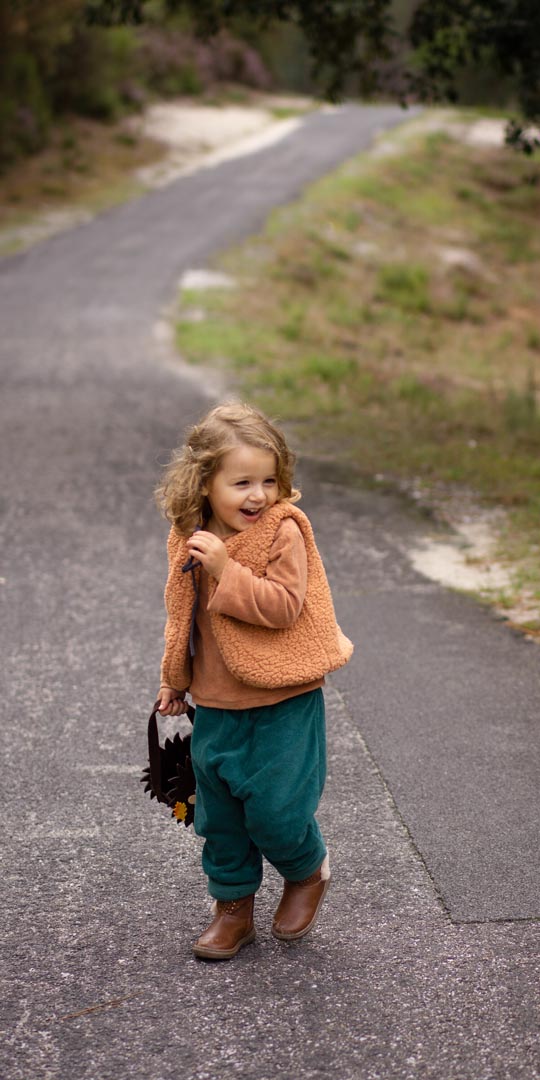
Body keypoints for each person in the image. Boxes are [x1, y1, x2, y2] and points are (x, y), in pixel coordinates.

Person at [154, 400, 353, 960]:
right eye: (241, 482)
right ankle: (233, 908)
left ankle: (307, 870)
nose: (258, 495)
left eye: (270, 480)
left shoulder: (282, 532)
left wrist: (226, 569)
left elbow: (285, 607)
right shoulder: (187, 534)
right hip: (216, 702)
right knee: (219, 817)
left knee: (276, 811)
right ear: (204, 483)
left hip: (284, 699)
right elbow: (180, 614)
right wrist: (174, 678)